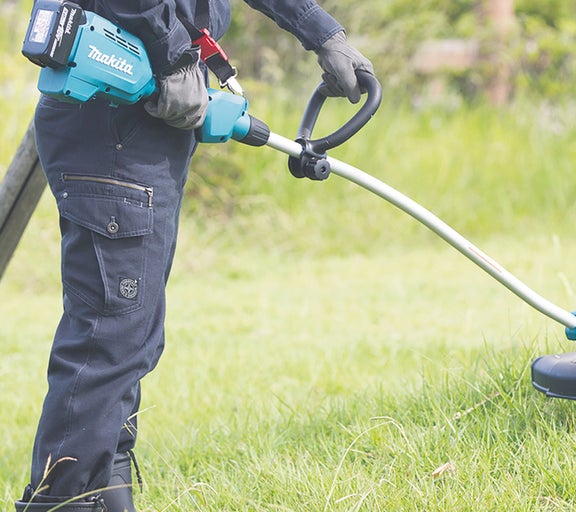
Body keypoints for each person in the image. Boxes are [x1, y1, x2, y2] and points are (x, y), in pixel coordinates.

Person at [15, 1, 375, 510]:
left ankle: (105, 493)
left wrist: (323, 33)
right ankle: (66, 500)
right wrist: (173, 56)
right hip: (114, 113)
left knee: (130, 336)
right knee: (108, 337)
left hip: (146, 119)